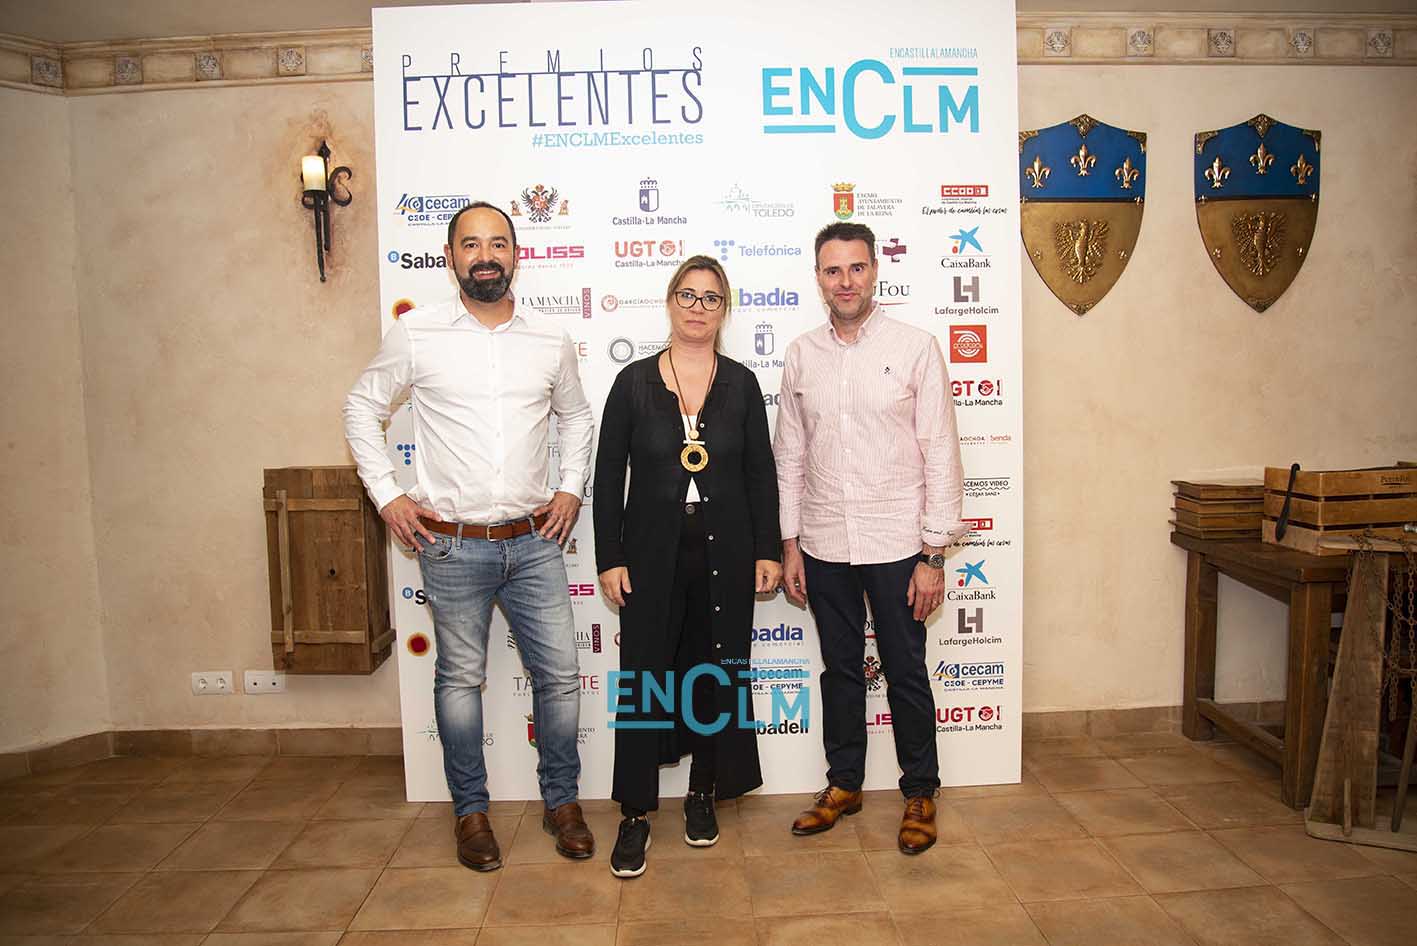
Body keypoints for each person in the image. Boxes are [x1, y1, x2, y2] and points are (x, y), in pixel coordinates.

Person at [343, 201, 596, 872]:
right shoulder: (416, 333)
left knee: (560, 677)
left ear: (517, 254)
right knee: (459, 680)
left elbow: (576, 417)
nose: (486, 256)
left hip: (535, 541)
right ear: (450, 257)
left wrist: (571, 486)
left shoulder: (549, 338)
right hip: (451, 545)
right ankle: (470, 812)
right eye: (471, 244)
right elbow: (361, 407)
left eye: (498, 243)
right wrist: (387, 495)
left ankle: (562, 803)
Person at [773, 221, 966, 855]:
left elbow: (941, 452)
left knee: (906, 669)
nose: (846, 281)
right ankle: (844, 784)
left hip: (899, 543)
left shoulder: (915, 347)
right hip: (825, 540)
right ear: (818, 278)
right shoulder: (801, 354)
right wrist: (791, 542)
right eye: (833, 270)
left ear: (875, 271)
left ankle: (920, 791)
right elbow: (789, 455)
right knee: (840, 671)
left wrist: (933, 554)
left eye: (856, 268)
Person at [593, 255, 782, 878]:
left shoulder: (742, 384)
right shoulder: (632, 383)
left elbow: (760, 474)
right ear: (670, 301)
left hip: (726, 551)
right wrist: (610, 556)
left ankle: (703, 791)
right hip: (650, 553)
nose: (698, 308)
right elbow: (607, 478)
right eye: (687, 295)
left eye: (711, 298)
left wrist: (767, 549)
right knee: (645, 677)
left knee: (713, 673)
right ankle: (635, 813)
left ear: (724, 310)